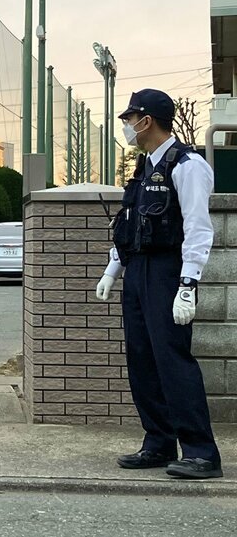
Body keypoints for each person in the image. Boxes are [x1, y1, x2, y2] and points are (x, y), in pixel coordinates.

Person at [95, 88, 222, 480]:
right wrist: (113, 269)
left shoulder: (187, 166)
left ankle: (201, 452)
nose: (128, 127)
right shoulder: (144, 169)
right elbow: (131, 226)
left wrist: (188, 284)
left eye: (131, 119)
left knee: (172, 361)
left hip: (168, 273)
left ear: (147, 121)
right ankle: (159, 442)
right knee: (142, 360)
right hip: (138, 272)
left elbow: (199, 230)